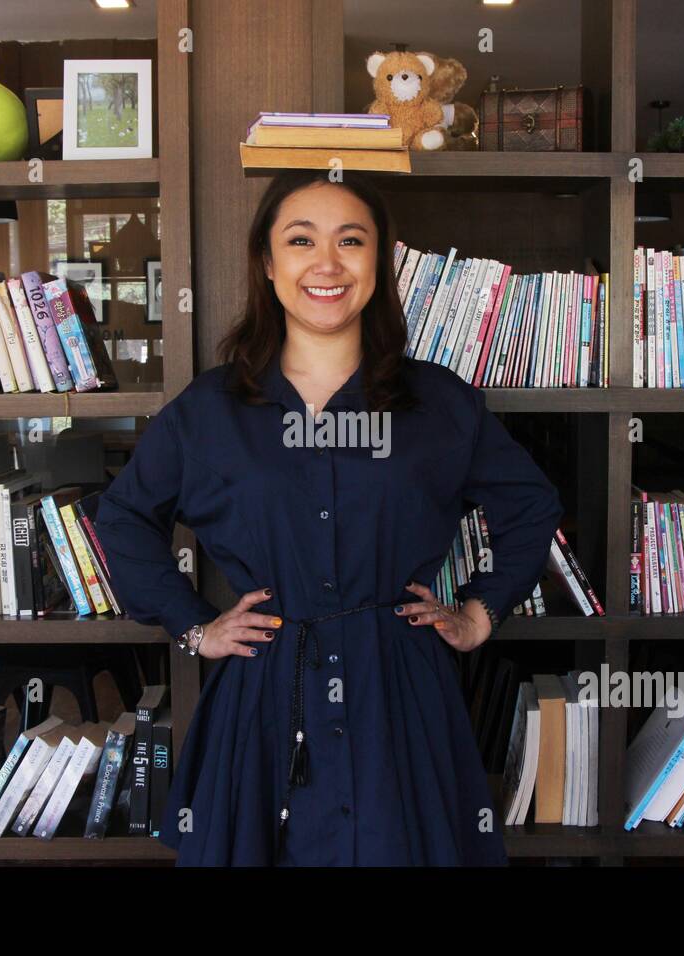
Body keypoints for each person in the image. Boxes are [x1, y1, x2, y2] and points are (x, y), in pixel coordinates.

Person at [93, 168, 563, 865]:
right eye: (300, 239)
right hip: (262, 691)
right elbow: (124, 515)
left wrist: (480, 614)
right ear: (267, 260)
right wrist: (193, 627)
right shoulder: (210, 411)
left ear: (379, 260)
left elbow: (531, 507)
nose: (327, 263)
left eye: (351, 240)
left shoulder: (440, 404)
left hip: (399, 693)